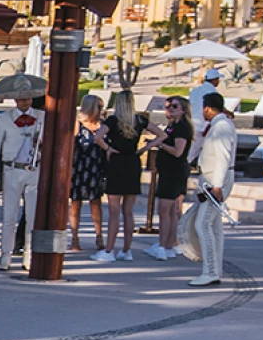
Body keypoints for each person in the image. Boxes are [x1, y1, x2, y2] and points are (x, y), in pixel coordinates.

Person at [0, 81, 43, 270]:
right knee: (9, 215)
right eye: (20, 98)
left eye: (27, 98)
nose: (24, 102)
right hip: (11, 170)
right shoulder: (3, 119)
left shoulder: (42, 117)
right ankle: (5, 254)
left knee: (32, 217)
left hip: (34, 170)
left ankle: (29, 254)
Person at [189, 92, 237, 287]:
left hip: (216, 180)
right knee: (214, 227)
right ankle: (214, 270)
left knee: (203, 224)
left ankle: (209, 271)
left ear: (207, 108)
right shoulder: (217, 126)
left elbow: (223, 158)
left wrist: (217, 186)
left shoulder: (222, 127)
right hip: (211, 178)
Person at [98, 91, 144, 261]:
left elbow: (98, 136)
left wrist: (108, 148)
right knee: (128, 212)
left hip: (117, 162)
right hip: (133, 162)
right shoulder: (139, 120)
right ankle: (126, 250)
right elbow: (162, 135)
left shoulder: (113, 121)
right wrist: (145, 149)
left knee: (114, 211)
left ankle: (109, 250)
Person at [148, 96, 194, 261]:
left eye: (174, 106)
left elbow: (178, 151)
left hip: (173, 173)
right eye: (167, 106)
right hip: (170, 171)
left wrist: (159, 144)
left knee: (165, 211)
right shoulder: (171, 127)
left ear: (182, 109)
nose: (170, 109)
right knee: (173, 211)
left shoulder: (181, 128)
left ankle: (163, 245)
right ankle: (169, 244)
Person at [70, 96, 109, 252]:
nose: (101, 110)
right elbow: (71, 144)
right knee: (76, 202)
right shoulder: (78, 125)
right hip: (79, 167)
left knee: (96, 203)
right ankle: (74, 237)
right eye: (99, 107)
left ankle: (99, 236)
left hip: (96, 167)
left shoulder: (103, 126)